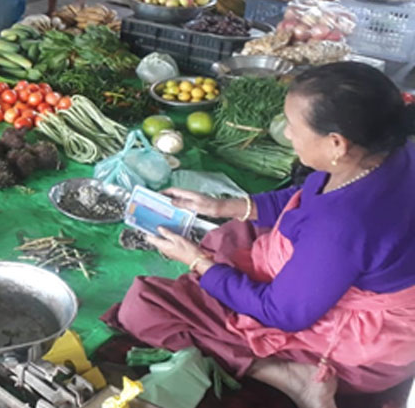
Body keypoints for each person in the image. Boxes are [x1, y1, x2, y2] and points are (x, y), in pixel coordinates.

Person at [104, 62, 415, 408]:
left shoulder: (344, 225)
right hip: (330, 273)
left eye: (293, 126)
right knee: (229, 235)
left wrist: (197, 261)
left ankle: (287, 376)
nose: (289, 135)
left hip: (353, 348)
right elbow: (306, 197)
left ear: (336, 143)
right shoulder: (386, 152)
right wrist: (220, 206)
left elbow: (279, 313)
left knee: (144, 307)